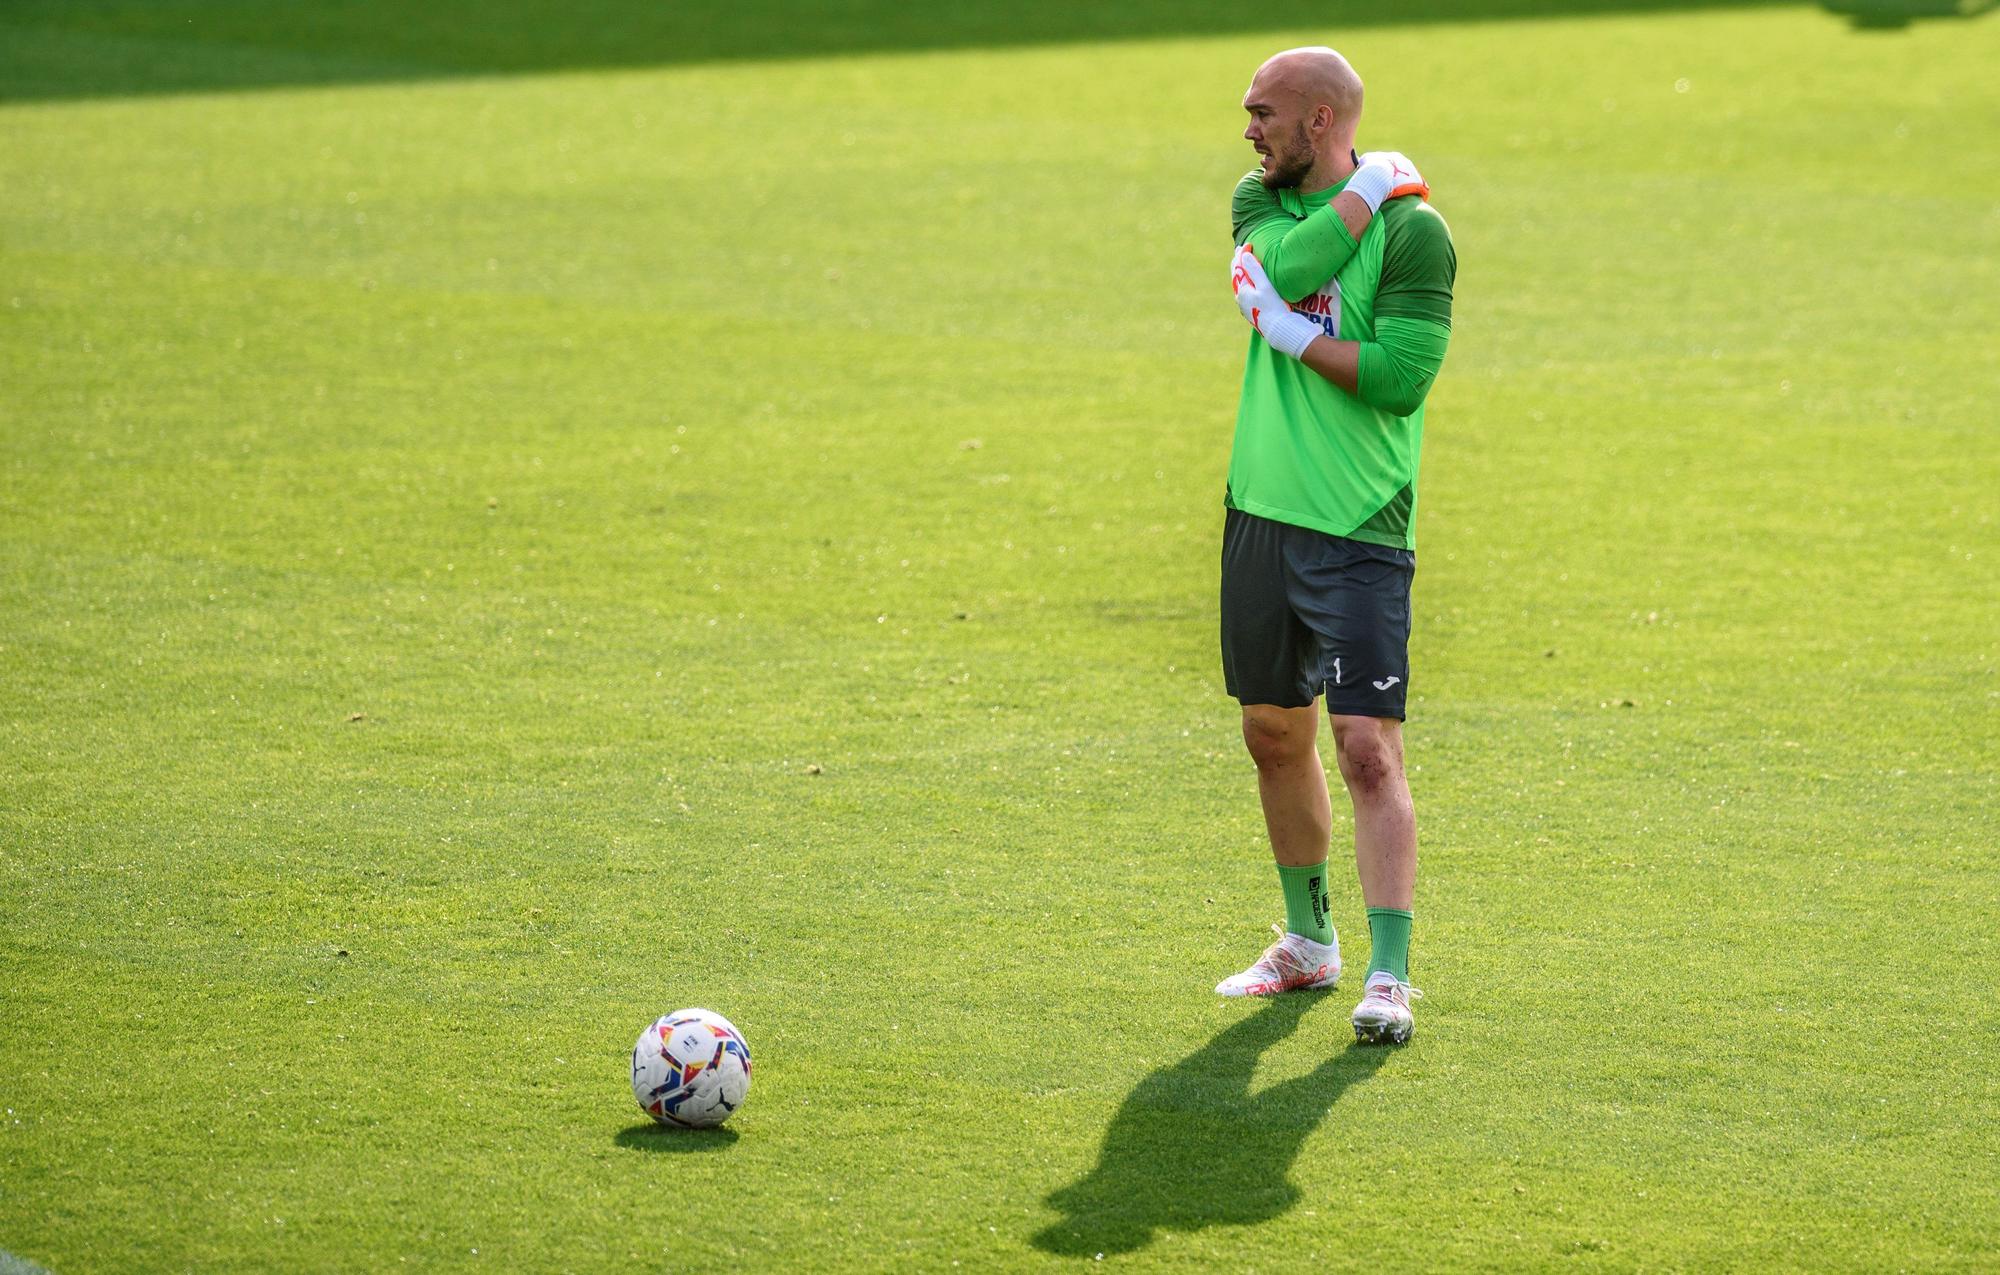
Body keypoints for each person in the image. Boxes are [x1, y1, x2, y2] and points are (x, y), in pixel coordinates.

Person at [1212, 46, 1457, 1046]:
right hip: (1259, 511)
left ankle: (1389, 974)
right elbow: (1291, 266)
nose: (1247, 128)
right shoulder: (1257, 202)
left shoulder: (1416, 234)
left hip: (1357, 525)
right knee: (1272, 732)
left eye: (1263, 111)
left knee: (1364, 747)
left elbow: (1397, 377)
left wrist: (1289, 336)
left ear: (1318, 117)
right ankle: (1309, 942)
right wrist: (1363, 183)